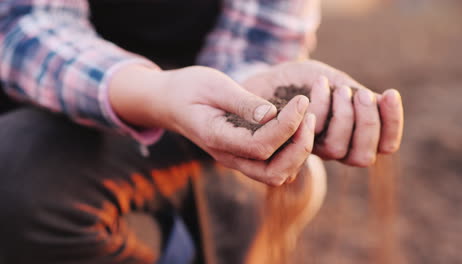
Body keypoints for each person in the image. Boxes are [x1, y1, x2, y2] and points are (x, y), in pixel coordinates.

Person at [0, 0, 403, 263]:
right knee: (19, 172)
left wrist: (255, 88)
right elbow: (23, 26)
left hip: (195, 123)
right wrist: (154, 92)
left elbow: (254, 51)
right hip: (65, 98)